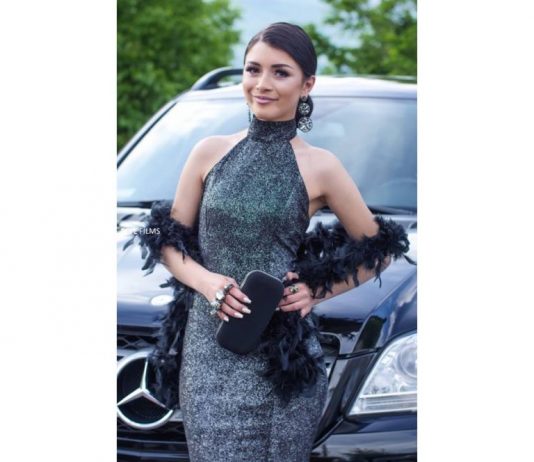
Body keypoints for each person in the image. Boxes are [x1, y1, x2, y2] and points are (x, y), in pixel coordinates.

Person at [126, 22, 414, 462]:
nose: (262, 84)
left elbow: (383, 247)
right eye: (253, 69)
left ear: (307, 84)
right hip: (208, 357)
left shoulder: (322, 166)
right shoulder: (208, 152)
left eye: (280, 72)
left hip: (280, 365)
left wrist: (317, 290)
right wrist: (206, 282)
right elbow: (157, 234)